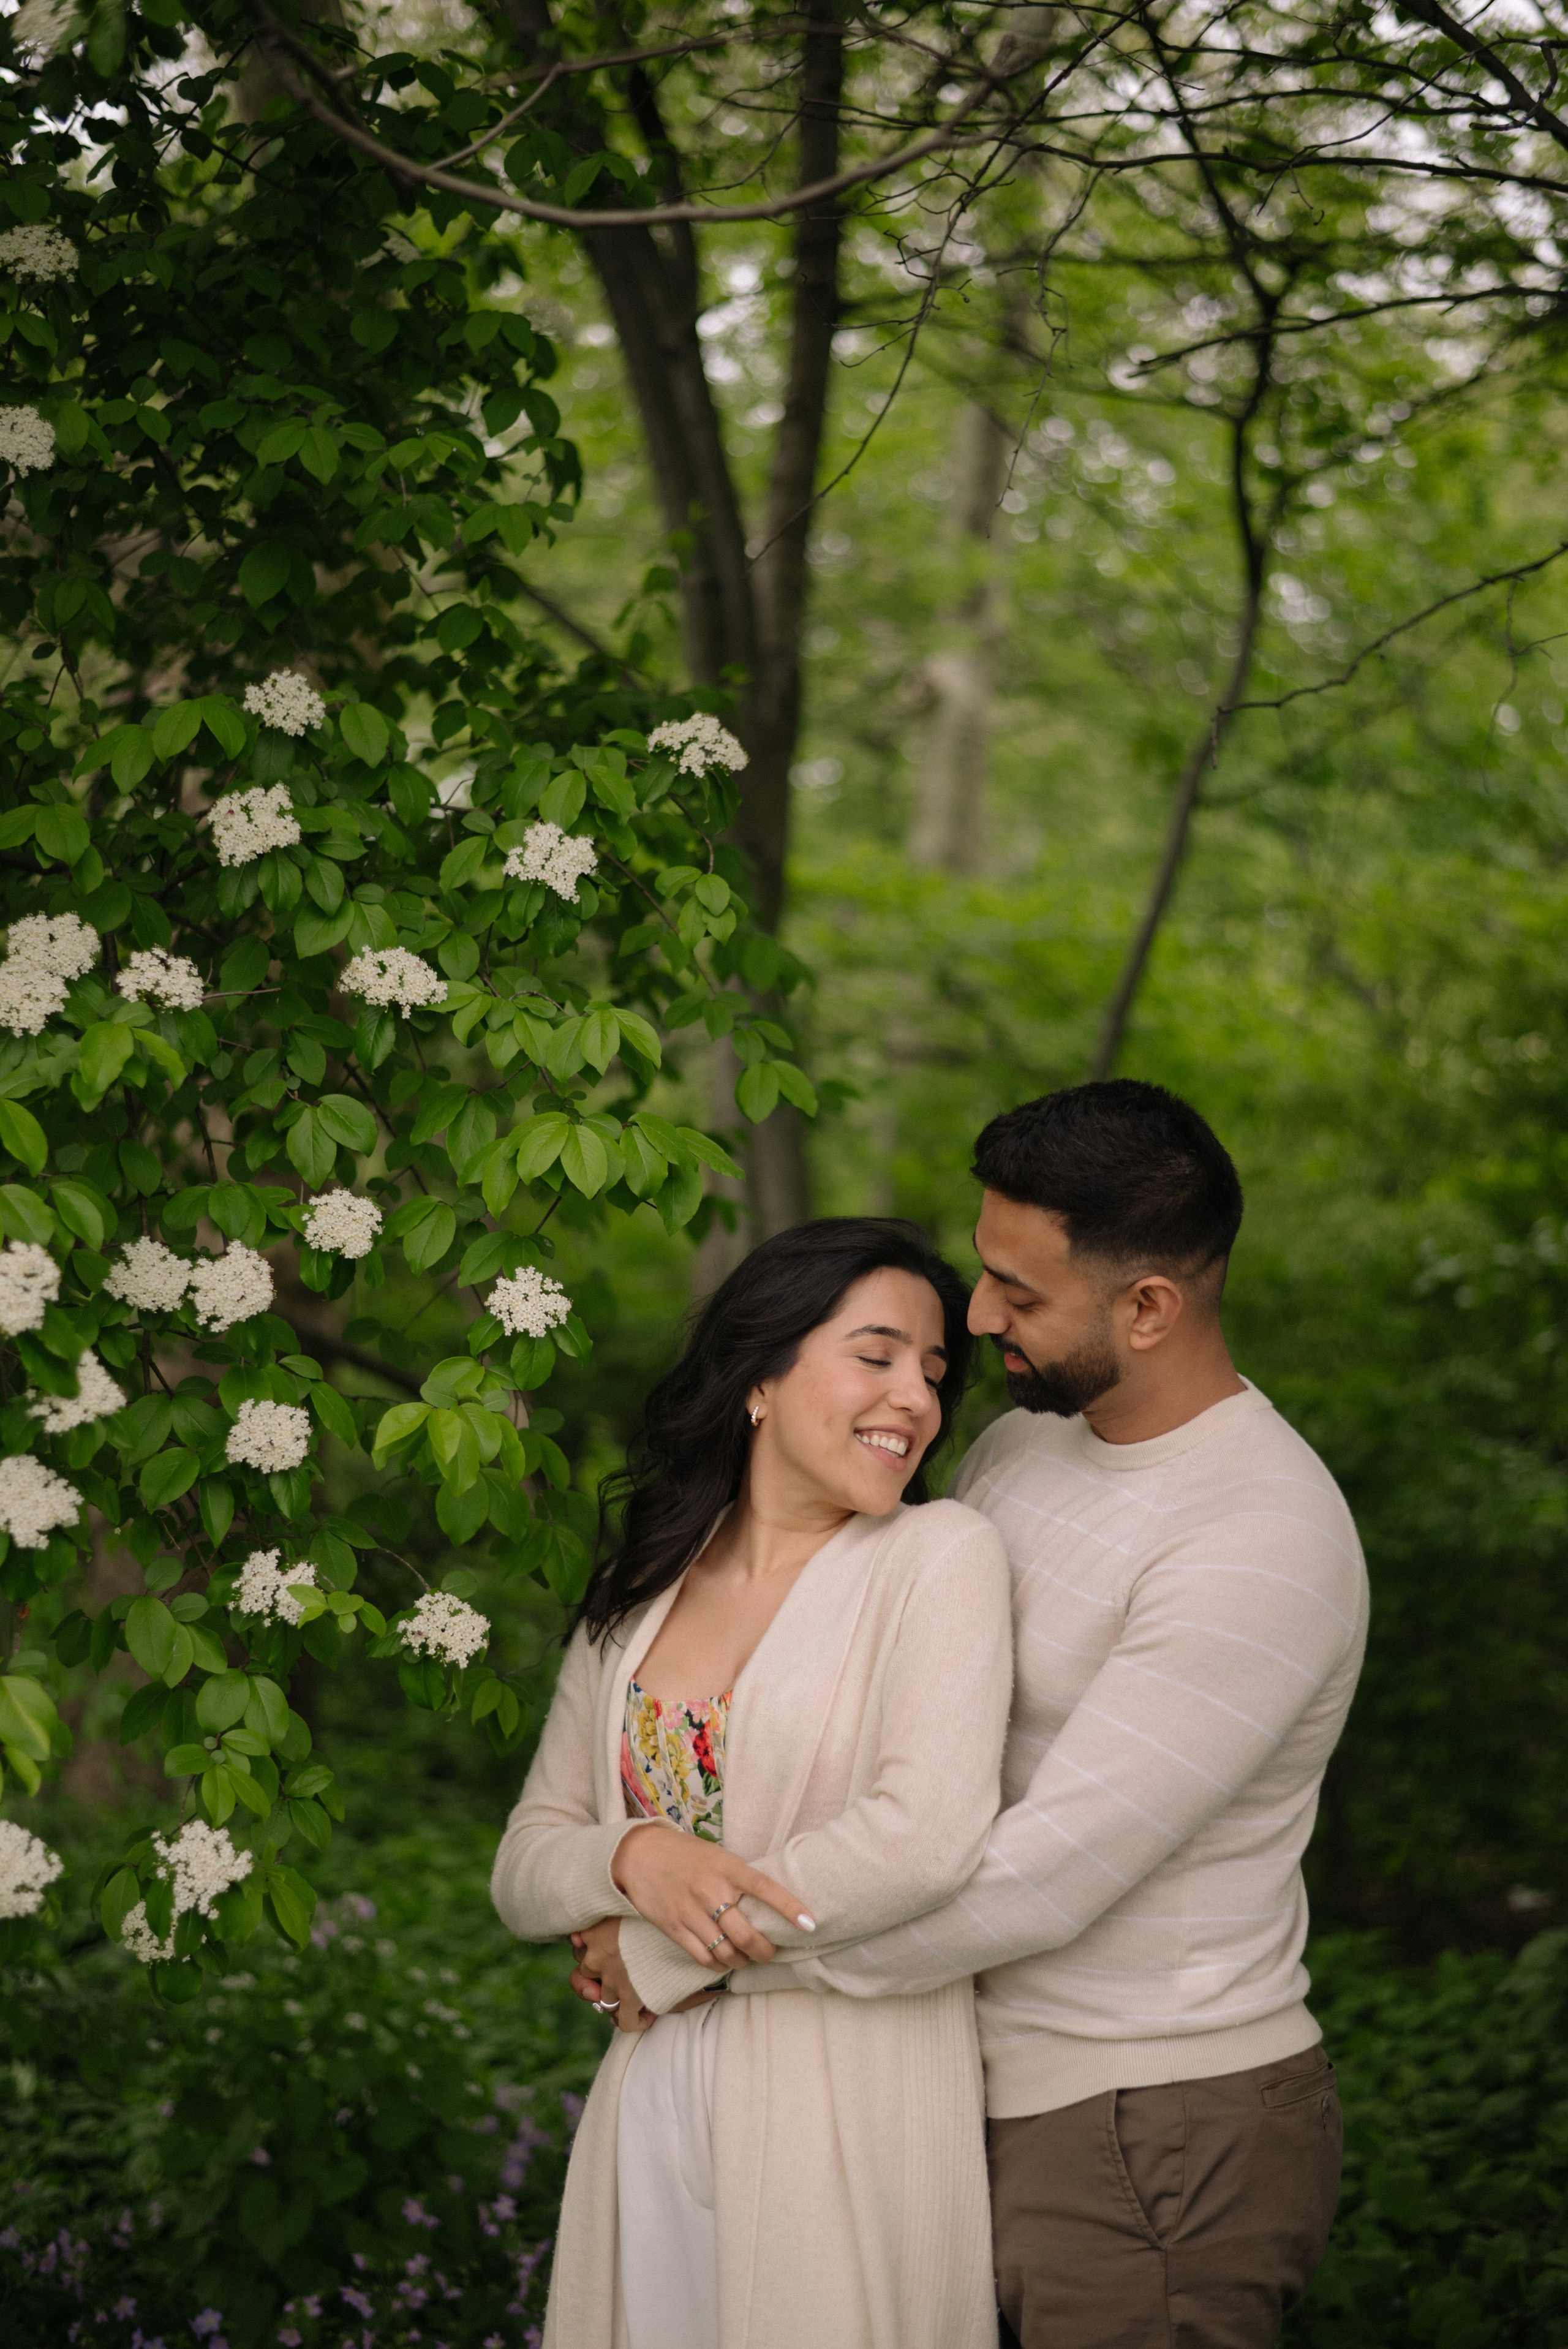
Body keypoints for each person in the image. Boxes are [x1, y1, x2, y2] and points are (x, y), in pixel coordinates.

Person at [581, 1081, 1368, 2349]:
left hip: (1142, 2124)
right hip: (928, 2080)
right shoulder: (1019, 1449)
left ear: (1148, 1308)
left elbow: (1030, 1886)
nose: (979, 1314)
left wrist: (686, 1957)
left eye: (1018, 1291)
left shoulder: (1258, 1539)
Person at [489, 1216, 1014, 2349]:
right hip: (649, 2104)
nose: (917, 1398)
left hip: (847, 2102)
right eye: (877, 1356)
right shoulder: (647, 1581)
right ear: (760, 1378)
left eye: (934, 1370)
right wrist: (632, 1854)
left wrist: (662, 1953)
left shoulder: (939, 1558)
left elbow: (922, 1839)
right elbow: (528, 1861)